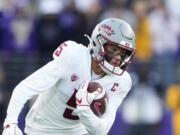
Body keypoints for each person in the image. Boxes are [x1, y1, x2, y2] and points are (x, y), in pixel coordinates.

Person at [2, 18, 136, 135]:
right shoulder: (73, 56)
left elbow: (102, 131)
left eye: (124, 53)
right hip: (43, 130)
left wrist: (85, 111)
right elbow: (26, 88)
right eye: (113, 50)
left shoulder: (121, 81)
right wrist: (10, 123)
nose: (118, 58)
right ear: (97, 42)